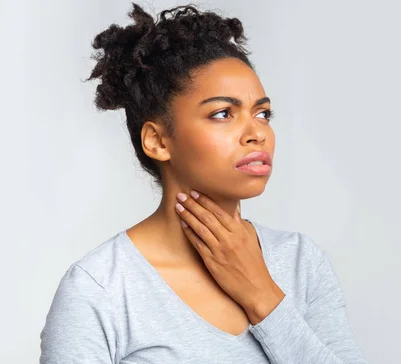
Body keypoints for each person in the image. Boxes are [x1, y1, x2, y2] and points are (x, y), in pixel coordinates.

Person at [39, 3, 368, 363]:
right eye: (223, 113)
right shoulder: (100, 287)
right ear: (159, 141)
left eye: (263, 113)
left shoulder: (300, 262)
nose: (256, 133)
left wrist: (262, 295)